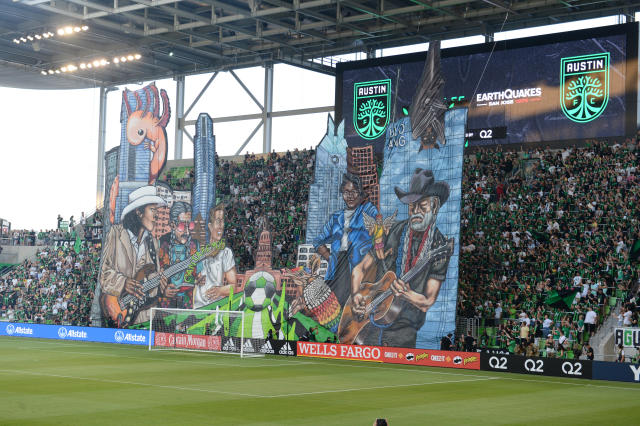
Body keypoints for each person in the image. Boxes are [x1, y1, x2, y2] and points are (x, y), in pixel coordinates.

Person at [351, 169, 454, 348]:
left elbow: (427, 301)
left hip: (403, 330)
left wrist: (405, 293)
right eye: (411, 206)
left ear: (435, 206)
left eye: (422, 206)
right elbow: (359, 269)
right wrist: (355, 295)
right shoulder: (394, 231)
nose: (415, 211)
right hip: (370, 319)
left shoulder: (439, 245)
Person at [99, 185, 177, 326]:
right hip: (118, 311)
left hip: (144, 318)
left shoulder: (153, 242)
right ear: (139, 212)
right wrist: (124, 283)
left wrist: (161, 288)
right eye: (152, 210)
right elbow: (104, 275)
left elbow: (152, 282)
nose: (157, 216)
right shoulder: (116, 234)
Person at [313, 172, 378, 307]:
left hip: (359, 266)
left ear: (360, 193)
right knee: (332, 306)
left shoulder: (368, 210)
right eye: (346, 192)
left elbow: (379, 229)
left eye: (354, 192)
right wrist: (329, 257)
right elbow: (318, 241)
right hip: (337, 266)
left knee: (351, 305)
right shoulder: (336, 218)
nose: (350, 196)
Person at [193, 204, 237, 309]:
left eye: (222, 221)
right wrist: (195, 281)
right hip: (198, 307)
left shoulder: (226, 253)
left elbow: (233, 286)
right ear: (210, 226)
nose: (221, 226)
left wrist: (220, 290)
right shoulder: (197, 250)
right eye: (218, 221)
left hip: (216, 307)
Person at [158, 201, 201, 308]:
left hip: (187, 303)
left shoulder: (195, 246)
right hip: (164, 306)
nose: (186, 232)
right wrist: (162, 289)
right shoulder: (161, 244)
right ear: (172, 225)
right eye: (182, 226)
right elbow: (154, 276)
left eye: (190, 225)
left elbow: (199, 275)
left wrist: (200, 279)